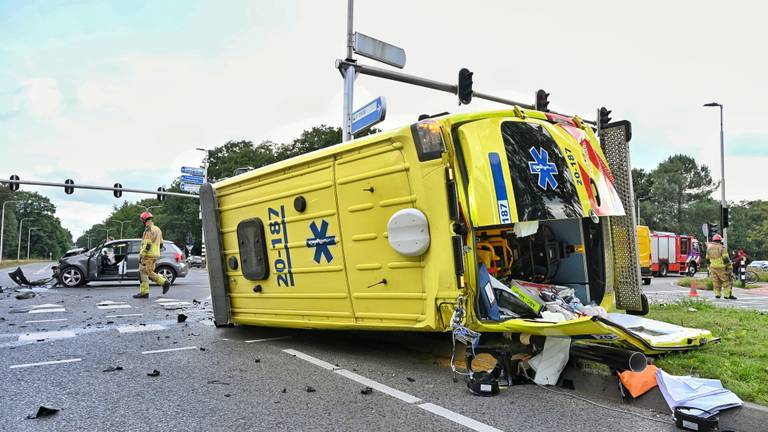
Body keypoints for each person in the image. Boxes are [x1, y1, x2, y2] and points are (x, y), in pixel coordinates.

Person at [133, 211, 171, 299]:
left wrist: (142, 255)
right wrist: (156, 251)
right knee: (144, 272)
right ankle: (144, 292)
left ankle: (164, 283)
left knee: (147, 272)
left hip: (148, 255)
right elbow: (161, 243)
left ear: (143, 220)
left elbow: (147, 244)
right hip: (155, 254)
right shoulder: (157, 229)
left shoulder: (148, 230)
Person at [706, 234, 736, 300]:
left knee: (716, 281)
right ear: (720, 240)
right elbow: (726, 259)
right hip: (722, 267)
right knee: (726, 281)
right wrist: (729, 267)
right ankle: (727, 295)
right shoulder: (722, 248)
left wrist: (709, 267)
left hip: (713, 267)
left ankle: (717, 294)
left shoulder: (709, 248)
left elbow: (707, 259)